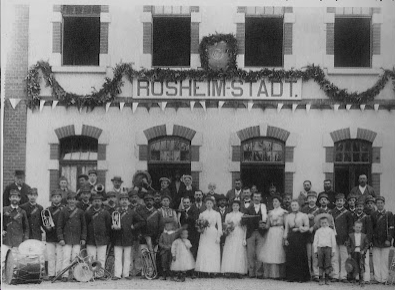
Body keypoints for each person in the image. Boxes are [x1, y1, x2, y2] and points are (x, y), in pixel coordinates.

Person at [112, 192, 145, 280]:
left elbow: (142, 221)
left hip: (128, 237)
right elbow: (111, 223)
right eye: (122, 200)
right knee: (118, 257)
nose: (124, 202)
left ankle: (126, 274)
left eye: (126, 200)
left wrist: (134, 226)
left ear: (128, 201)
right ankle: (117, 274)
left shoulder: (132, 212)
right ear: (119, 201)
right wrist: (112, 227)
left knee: (127, 257)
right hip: (118, 237)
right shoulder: (116, 211)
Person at [57, 192, 87, 282]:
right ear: (67, 200)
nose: (72, 201)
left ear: (76, 201)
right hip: (66, 239)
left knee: (76, 257)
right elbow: (59, 226)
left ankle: (75, 275)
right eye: (70, 199)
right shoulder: (63, 211)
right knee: (66, 257)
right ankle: (65, 275)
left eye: (73, 199)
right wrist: (61, 238)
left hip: (77, 238)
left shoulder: (80, 212)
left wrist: (83, 238)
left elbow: (84, 226)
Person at [258, 195, 287, 280]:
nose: (274, 203)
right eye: (273, 201)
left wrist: (285, 236)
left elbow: (286, 225)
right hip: (271, 232)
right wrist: (262, 225)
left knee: (279, 250)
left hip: (280, 231)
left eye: (276, 201)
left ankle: (280, 274)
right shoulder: (270, 212)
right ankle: (270, 273)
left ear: (280, 202)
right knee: (271, 251)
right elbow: (267, 225)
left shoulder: (283, 212)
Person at [85, 193, 112, 279]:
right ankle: (91, 275)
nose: (97, 203)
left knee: (101, 258)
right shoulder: (88, 213)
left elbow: (108, 227)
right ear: (92, 202)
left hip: (102, 239)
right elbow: (85, 225)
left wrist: (107, 237)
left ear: (101, 202)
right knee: (91, 258)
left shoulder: (106, 213)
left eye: (99, 201)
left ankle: (100, 274)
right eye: (95, 201)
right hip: (91, 239)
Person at [195, 196, 222, 277]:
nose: (209, 204)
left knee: (213, 252)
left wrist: (218, 237)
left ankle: (213, 271)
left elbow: (220, 226)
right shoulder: (202, 214)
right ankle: (204, 271)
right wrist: (201, 229)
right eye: (207, 203)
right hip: (205, 234)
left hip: (213, 233)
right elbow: (198, 225)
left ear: (213, 204)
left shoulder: (217, 214)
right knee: (204, 251)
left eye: (211, 203)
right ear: (205, 204)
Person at [2, 189, 29, 270]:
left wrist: (25, 238)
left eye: (16, 197)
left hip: (18, 240)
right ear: (9, 198)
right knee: (3, 258)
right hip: (6, 239)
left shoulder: (22, 212)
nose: (14, 199)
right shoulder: (4, 210)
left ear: (19, 199)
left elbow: (26, 227)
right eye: (13, 197)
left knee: (17, 260)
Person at [283, 200, 310, 282]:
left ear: (299, 206)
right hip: (291, 237)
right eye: (292, 205)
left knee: (300, 256)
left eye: (295, 205)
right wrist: (285, 238)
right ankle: (291, 277)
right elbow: (286, 228)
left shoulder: (303, 215)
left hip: (300, 236)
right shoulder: (288, 216)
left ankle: (301, 277)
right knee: (291, 256)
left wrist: (299, 228)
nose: (294, 206)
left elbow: (307, 227)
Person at [221, 199, 248, 278]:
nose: (235, 207)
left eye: (237, 205)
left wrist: (244, 238)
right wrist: (228, 229)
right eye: (234, 205)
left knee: (239, 251)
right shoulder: (228, 215)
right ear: (231, 207)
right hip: (231, 234)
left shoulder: (242, 215)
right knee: (230, 251)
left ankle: (239, 271)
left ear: (239, 206)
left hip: (239, 233)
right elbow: (225, 226)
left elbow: (245, 227)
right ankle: (229, 270)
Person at [370, 196, 394, 284]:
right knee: (376, 260)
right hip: (376, 240)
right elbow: (371, 229)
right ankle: (377, 278)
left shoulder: (389, 214)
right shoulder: (373, 214)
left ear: (384, 203)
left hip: (385, 241)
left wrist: (389, 239)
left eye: (381, 203)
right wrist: (371, 240)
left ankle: (384, 279)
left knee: (384, 260)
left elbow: (391, 228)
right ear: (376, 204)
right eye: (378, 203)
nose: (380, 204)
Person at [243, 192, 267, 278]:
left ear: (261, 198)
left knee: (260, 253)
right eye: (255, 197)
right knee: (250, 253)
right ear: (252, 198)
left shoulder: (264, 207)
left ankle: (259, 273)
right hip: (251, 233)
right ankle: (251, 272)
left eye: (258, 197)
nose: (256, 198)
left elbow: (267, 219)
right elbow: (244, 220)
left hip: (260, 233)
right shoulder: (248, 208)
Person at [330, 193, 353, 283]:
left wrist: (348, 239)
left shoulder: (348, 213)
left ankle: (343, 276)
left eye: (341, 201)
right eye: (337, 201)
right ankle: (335, 275)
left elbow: (351, 227)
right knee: (334, 258)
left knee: (344, 257)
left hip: (344, 239)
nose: (339, 202)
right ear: (335, 202)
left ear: (344, 202)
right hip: (334, 238)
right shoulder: (332, 212)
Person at [43, 189, 65, 280]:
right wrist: (46, 228)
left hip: (61, 236)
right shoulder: (47, 210)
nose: (56, 199)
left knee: (60, 256)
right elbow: (44, 223)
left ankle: (58, 273)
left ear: (61, 198)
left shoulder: (64, 209)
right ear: (51, 198)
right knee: (51, 255)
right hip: (50, 235)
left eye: (58, 197)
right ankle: (51, 274)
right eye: (54, 197)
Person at [301, 191, 320, 281]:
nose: (311, 200)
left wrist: (313, 227)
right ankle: (308, 273)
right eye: (310, 198)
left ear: (316, 199)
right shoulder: (304, 209)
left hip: (316, 235)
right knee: (308, 256)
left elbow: (320, 222)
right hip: (306, 235)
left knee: (315, 255)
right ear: (307, 199)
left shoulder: (319, 210)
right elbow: (300, 220)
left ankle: (316, 274)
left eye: (313, 198)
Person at [353, 199, 373, 284]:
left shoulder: (367, 217)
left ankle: (366, 278)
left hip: (364, 242)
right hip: (356, 242)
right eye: (357, 206)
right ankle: (358, 277)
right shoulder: (353, 216)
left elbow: (369, 231)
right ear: (355, 207)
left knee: (365, 260)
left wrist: (367, 242)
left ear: (363, 207)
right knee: (356, 260)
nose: (359, 208)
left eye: (360, 206)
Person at [313, 216, 336, 285]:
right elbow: (315, 241)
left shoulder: (331, 231)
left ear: (328, 223)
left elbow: (333, 241)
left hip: (328, 248)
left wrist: (333, 250)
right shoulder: (318, 231)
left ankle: (327, 279)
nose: (324, 224)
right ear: (320, 224)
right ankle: (321, 279)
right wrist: (315, 250)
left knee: (327, 264)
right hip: (320, 248)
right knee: (320, 264)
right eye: (322, 223)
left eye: (325, 222)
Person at [346, 220, 370, 287]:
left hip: (361, 253)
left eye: (359, 227)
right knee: (353, 265)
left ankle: (361, 279)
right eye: (356, 227)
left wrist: (364, 251)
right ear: (354, 227)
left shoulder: (364, 236)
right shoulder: (351, 235)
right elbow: (348, 245)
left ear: (361, 228)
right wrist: (349, 253)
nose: (358, 229)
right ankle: (353, 279)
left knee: (361, 266)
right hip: (353, 252)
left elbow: (366, 244)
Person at [178, 196, 199, 261]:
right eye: (184, 202)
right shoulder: (182, 212)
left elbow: (196, 220)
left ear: (190, 203)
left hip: (193, 234)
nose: (186, 204)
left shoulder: (194, 210)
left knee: (192, 251)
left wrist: (189, 217)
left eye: (187, 202)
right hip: (185, 234)